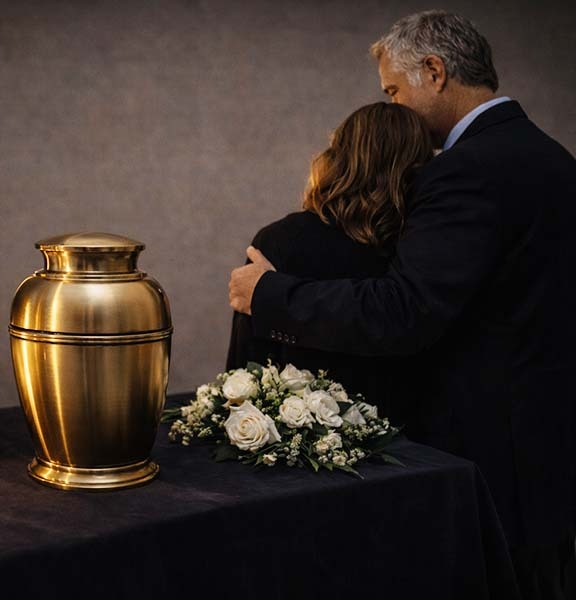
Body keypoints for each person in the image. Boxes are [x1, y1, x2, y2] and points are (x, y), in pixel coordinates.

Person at [228, 10, 576, 600]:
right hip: (551, 442)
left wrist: (270, 293)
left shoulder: (466, 170)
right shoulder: (553, 158)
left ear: (434, 72)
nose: (392, 107)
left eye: (394, 90)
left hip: (494, 454)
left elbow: (405, 309)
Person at [226, 101, 433, 422]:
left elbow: (246, 370)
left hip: (294, 444)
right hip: (412, 441)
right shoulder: (420, 248)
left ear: (340, 157)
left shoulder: (280, 240)